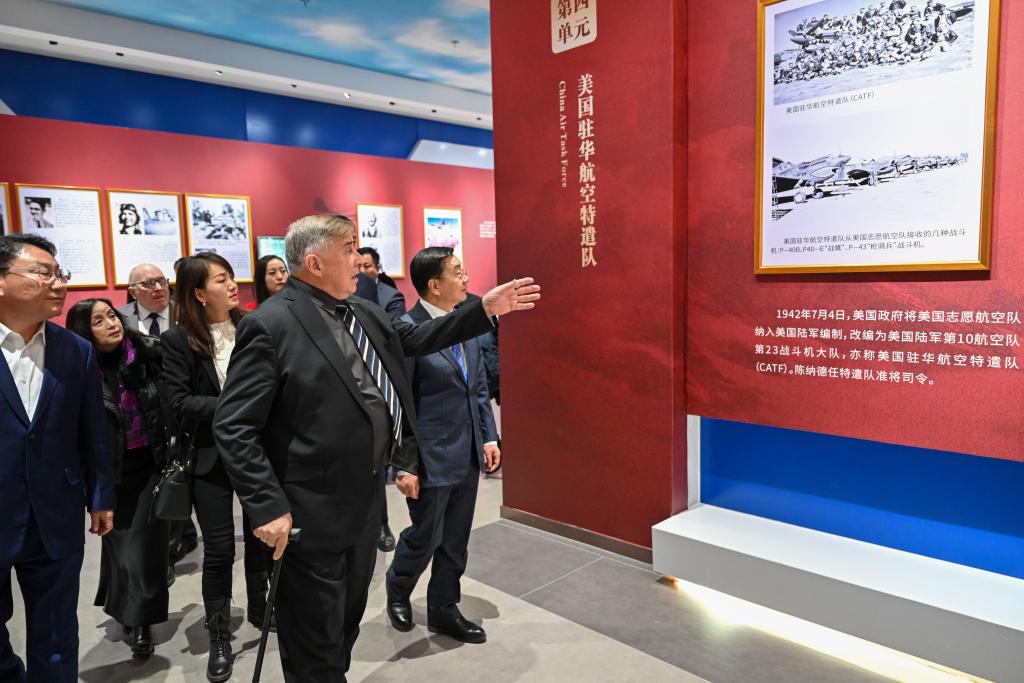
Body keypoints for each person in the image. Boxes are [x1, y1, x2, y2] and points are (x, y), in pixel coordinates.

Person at [213, 214, 539, 682]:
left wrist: (482, 309)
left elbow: (418, 337)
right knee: (313, 631)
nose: (359, 262)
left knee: (346, 617)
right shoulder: (271, 324)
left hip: (365, 500)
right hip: (308, 508)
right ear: (315, 262)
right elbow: (234, 424)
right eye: (348, 250)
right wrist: (266, 505)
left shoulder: (363, 312)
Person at [0, 234, 114, 682]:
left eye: (59, 273)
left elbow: (93, 430)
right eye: (43, 273)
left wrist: (101, 495)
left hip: (56, 511)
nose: (59, 283)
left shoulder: (75, 350)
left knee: (57, 634)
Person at [161, 253, 269, 682]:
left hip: (258, 451)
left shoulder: (251, 325)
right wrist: (236, 406)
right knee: (220, 549)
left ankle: (261, 608)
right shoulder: (179, 340)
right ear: (200, 294)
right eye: (221, 280)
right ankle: (220, 634)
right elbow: (179, 401)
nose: (232, 285)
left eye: (231, 277)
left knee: (263, 536)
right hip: (210, 455)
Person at [385, 248, 500, 643]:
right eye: (457, 272)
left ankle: (444, 608)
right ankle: (398, 586)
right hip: (430, 456)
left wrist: (488, 435)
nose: (466, 278)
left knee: (455, 539)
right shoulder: (407, 330)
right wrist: (405, 464)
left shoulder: (464, 321)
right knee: (425, 536)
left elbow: (477, 386)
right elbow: (399, 404)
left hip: (467, 451)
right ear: (434, 285)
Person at [65, 298, 171, 659]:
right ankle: (123, 606)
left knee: (144, 548)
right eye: (99, 321)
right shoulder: (79, 369)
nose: (111, 323)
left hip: (149, 465)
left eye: (112, 315)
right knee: (119, 547)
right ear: (84, 331)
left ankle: (140, 620)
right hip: (108, 473)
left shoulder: (148, 354)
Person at [119, 264, 173, 337]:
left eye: (162, 281)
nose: (159, 288)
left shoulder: (185, 311)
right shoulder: (120, 317)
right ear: (133, 292)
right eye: (148, 283)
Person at [358, 246, 406, 317]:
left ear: (378, 268)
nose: (361, 271)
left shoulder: (392, 296)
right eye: (358, 266)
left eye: (367, 266)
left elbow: (397, 323)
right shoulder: (347, 291)